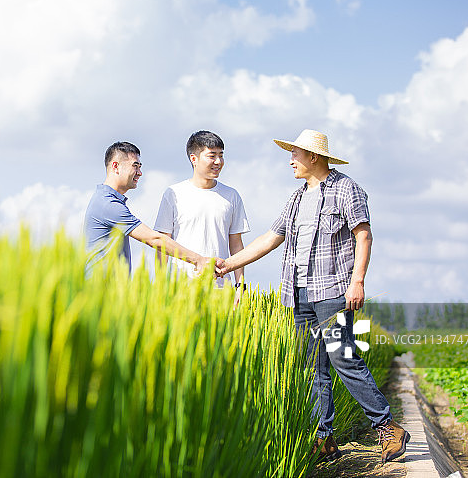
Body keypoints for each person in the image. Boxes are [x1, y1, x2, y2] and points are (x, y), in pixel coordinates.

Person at [216, 129, 409, 463]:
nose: (290, 160)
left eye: (295, 154)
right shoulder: (295, 197)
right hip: (299, 293)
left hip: (333, 291)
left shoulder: (346, 189)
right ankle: (324, 439)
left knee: (343, 358)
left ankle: (388, 426)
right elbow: (270, 238)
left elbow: (363, 235)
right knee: (312, 367)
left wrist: (357, 281)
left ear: (313, 157)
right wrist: (227, 264)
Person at [84, 141, 217, 275]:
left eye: (140, 166)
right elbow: (154, 239)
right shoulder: (108, 204)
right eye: (135, 166)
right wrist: (198, 260)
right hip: (100, 291)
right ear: (115, 166)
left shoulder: (107, 199)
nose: (140, 173)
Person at [154, 130, 249, 303]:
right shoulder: (174, 194)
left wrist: (240, 285)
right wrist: (160, 286)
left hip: (220, 289)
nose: (218, 162)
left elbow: (236, 244)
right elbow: (163, 243)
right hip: (180, 288)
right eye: (212, 156)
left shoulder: (231, 195)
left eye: (221, 155)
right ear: (194, 159)